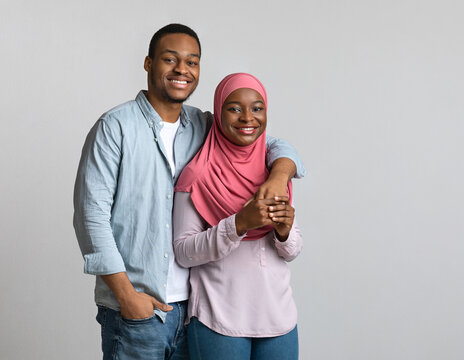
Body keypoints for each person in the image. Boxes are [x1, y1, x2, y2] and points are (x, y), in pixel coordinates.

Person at [73, 25, 305, 360]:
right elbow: (90, 214)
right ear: (148, 63)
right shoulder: (115, 127)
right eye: (170, 59)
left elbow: (265, 143)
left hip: (192, 307)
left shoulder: (203, 125)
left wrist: (280, 175)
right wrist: (126, 296)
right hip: (141, 306)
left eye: (192, 62)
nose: (182, 69)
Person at [173, 73, 302, 360]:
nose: (247, 117)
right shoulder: (197, 175)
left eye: (257, 108)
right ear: (218, 113)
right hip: (218, 319)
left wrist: (284, 230)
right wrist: (239, 224)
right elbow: (183, 252)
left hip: (278, 318)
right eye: (234, 108)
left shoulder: (274, 173)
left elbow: (291, 251)